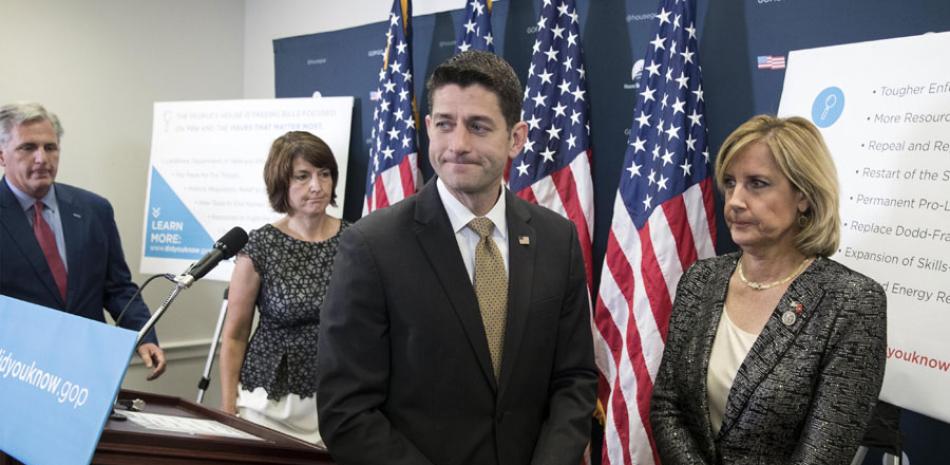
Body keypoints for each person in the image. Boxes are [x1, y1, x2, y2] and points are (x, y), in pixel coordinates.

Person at [316, 50, 597, 465]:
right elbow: (346, 411)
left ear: (516, 138)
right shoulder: (372, 245)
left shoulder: (558, 239)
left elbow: (574, 380)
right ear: (429, 127)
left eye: (478, 127)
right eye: (445, 125)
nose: (458, 145)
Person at [650, 115, 887, 464]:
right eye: (730, 183)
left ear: (803, 195)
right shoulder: (701, 280)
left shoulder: (851, 302)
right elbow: (667, 406)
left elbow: (825, 452)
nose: (735, 201)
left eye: (757, 184)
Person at [0, 102, 165, 380]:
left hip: (87, 372)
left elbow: (117, 287)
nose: (42, 158)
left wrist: (143, 335)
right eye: (28, 148)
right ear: (2, 156)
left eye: (50, 147)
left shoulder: (94, 210)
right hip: (17, 373)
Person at [219, 131, 348, 445]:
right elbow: (235, 335)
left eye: (324, 174)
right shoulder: (260, 245)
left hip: (337, 403)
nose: (316, 186)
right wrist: (227, 408)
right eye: (302, 177)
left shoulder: (355, 240)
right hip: (266, 406)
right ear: (281, 183)